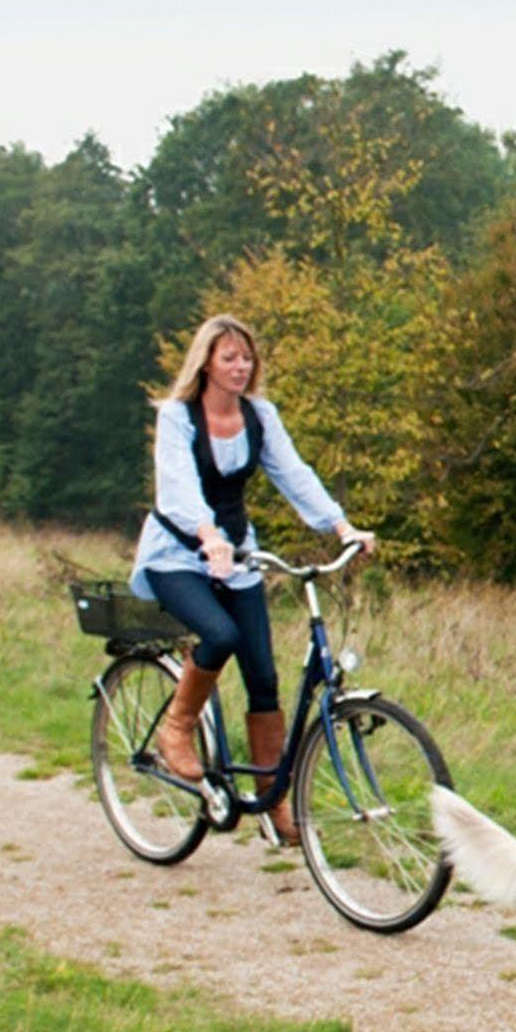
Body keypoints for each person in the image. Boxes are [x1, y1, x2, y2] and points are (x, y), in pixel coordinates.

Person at [129, 315, 374, 839]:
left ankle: (272, 800)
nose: (240, 368)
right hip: (177, 552)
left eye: (247, 358)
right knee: (220, 635)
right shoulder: (178, 417)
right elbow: (176, 486)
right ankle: (177, 728)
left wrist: (341, 525)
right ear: (207, 364)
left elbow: (294, 473)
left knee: (264, 676)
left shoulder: (259, 416)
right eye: (228, 358)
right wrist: (206, 534)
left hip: (237, 554)